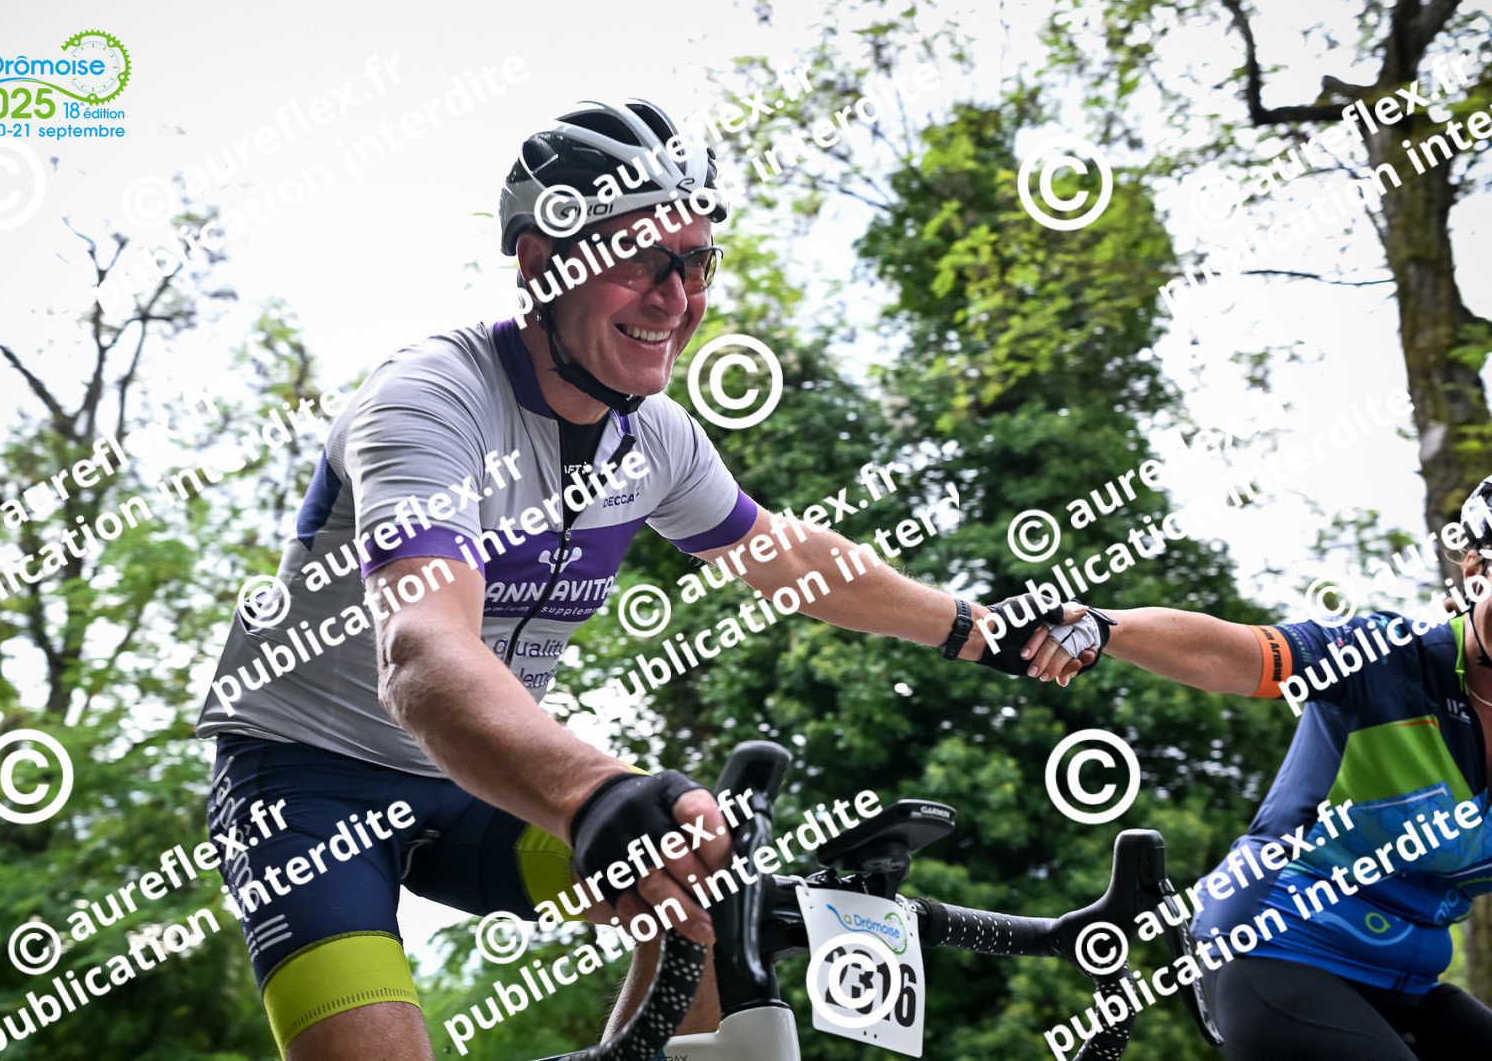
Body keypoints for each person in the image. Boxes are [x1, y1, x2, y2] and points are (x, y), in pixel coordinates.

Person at [193, 98, 1095, 1061]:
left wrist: (976, 626)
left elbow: (786, 556)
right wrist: (590, 791)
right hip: (308, 779)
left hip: (478, 782)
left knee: (702, 883)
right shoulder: (429, 400)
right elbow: (419, 650)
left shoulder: (655, 437)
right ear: (541, 262)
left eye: (694, 264)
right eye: (638, 259)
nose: (674, 298)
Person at [1039, 480, 1492, 1059]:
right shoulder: (1387, 658)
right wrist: (1101, 627)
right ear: (1474, 569)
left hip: (1409, 983)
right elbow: (1228, 653)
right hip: (1272, 944)